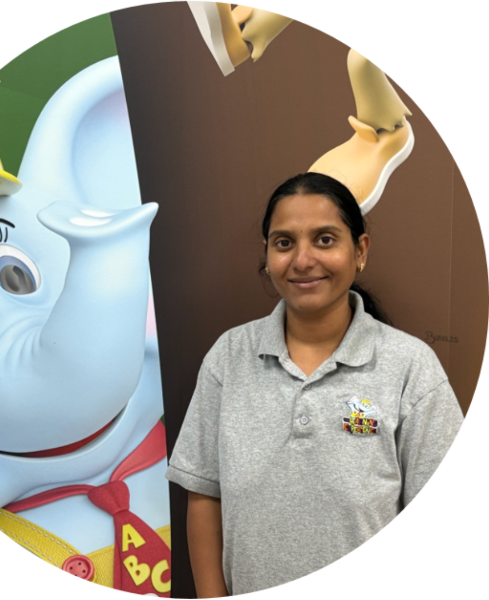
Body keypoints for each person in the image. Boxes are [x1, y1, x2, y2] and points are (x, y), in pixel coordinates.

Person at [165, 172, 463, 596]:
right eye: (284, 243)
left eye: (325, 240)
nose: (302, 260)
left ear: (360, 250)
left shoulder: (410, 367)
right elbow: (204, 498)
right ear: (267, 254)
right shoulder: (229, 357)